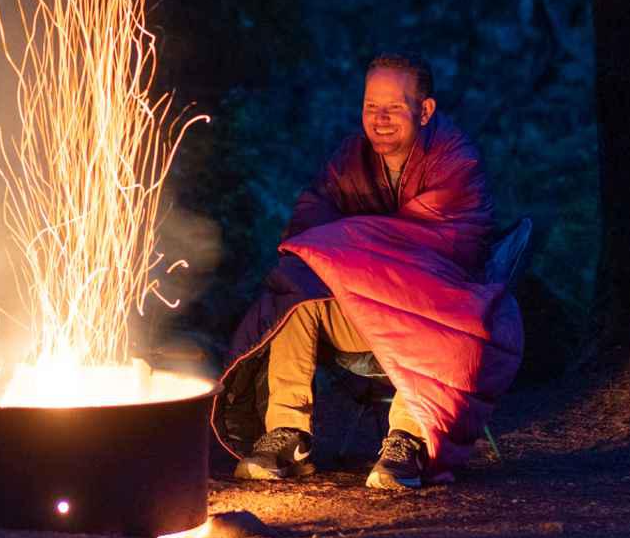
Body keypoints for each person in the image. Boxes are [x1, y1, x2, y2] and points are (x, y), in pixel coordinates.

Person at [212, 52, 522, 489]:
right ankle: (288, 434)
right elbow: (312, 219)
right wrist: (337, 250)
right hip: (364, 310)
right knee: (297, 299)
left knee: (428, 309)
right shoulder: (350, 158)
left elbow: (438, 246)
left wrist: (353, 244)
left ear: (425, 110)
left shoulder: (457, 160)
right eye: (370, 107)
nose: (379, 119)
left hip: (436, 311)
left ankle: (407, 440)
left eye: (394, 107)